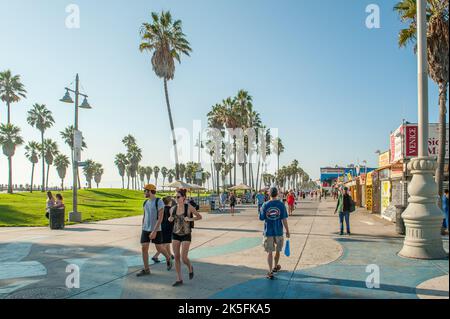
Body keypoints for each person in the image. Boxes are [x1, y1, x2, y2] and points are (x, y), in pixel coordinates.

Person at [137, 184, 173, 277]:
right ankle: (146, 269)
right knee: (144, 248)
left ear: (150, 191)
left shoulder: (159, 201)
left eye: (145, 190)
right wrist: (143, 227)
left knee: (159, 248)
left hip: (156, 229)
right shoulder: (145, 202)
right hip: (145, 229)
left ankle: (168, 258)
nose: (144, 192)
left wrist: (154, 231)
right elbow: (145, 216)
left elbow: (160, 218)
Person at [168, 189, 202, 287]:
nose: (176, 199)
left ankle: (190, 267)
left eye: (178, 197)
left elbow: (199, 216)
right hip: (175, 234)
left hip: (186, 234)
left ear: (184, 198)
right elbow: (170, 219)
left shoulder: (189, 207)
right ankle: (179, 279)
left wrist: (190, 218)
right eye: (175, 197)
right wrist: (169, 219)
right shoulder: (172, 209)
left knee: (183, 258)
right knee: (177, 257)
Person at [259, 186, 290, 280]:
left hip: (268, 232)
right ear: (277, 194)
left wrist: (262, 210)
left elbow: (261, 218)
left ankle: (270, 271)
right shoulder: (281, 204)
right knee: (277, 250)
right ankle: (275, 266)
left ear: (269, 194)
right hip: (279, 231)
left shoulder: (265, 205)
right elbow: (284, 219)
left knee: (269, 252)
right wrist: (287, 231)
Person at [152, 196, 175, 264]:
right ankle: (155, 256)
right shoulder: (170, 209)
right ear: (170, 202)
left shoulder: (161, 209)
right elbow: (172, 219)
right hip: (168, 228)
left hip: (161, 227)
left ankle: (170, 254)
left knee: (167, 242)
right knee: (165, 243)